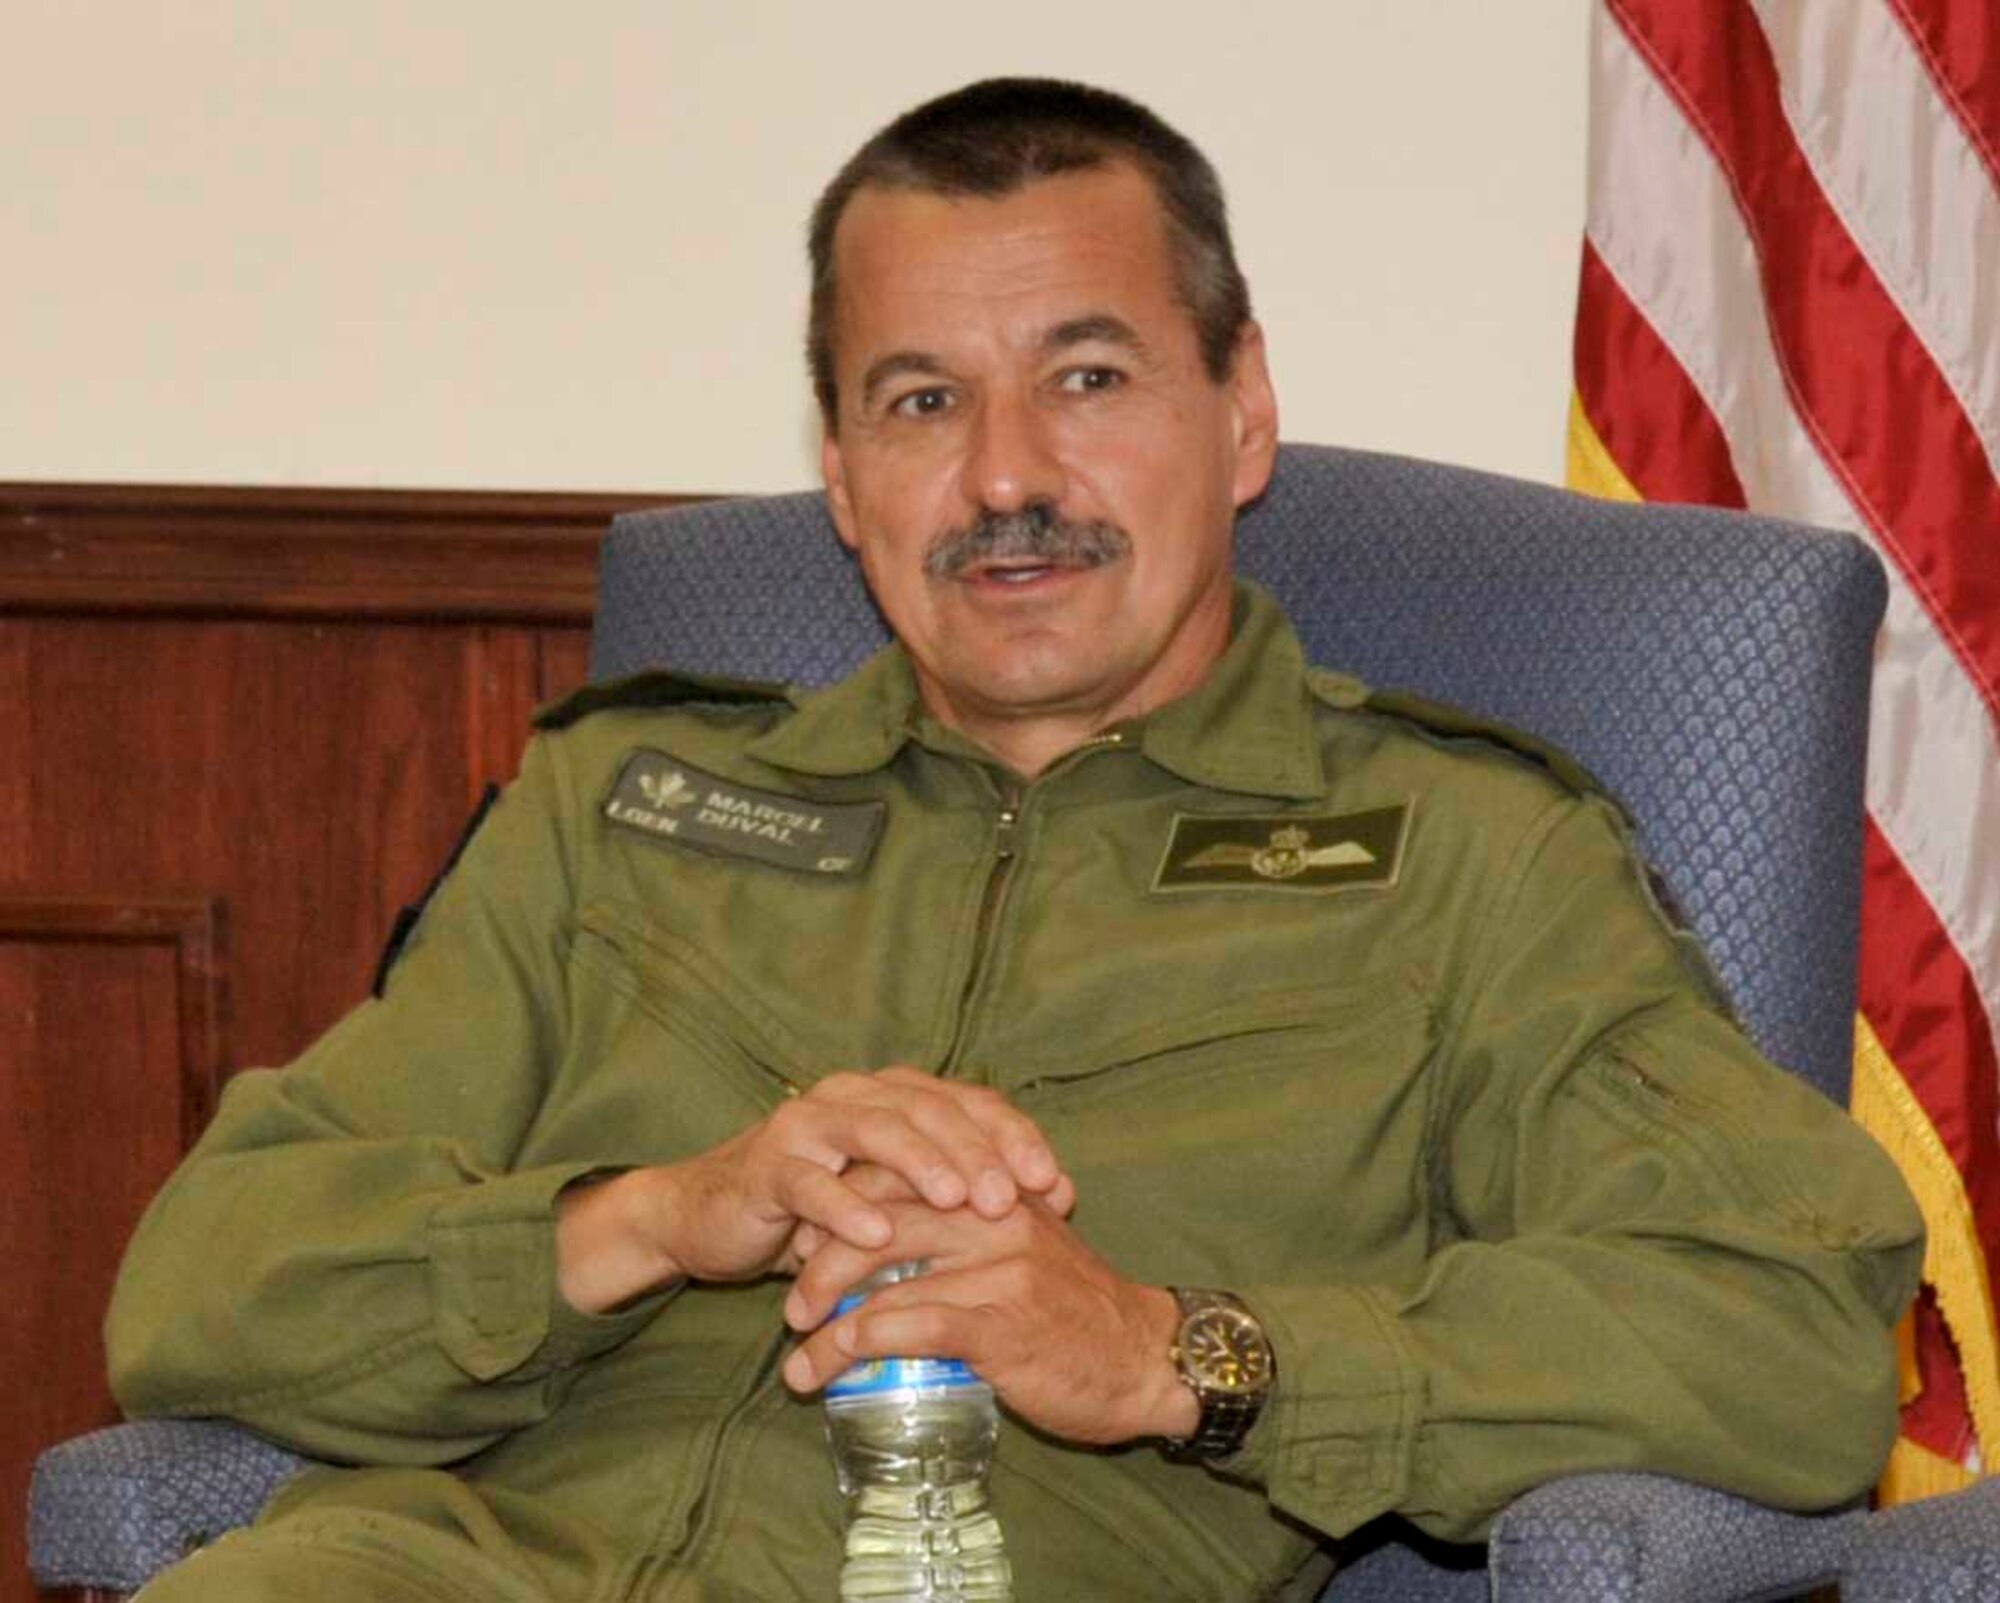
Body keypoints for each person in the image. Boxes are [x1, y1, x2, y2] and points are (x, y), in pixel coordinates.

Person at [108, 77, 1923, 1601]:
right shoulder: (625, 805)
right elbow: (205, 1289)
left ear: (1243, 411)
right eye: (920, 401)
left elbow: (1786, 1328)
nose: (1001, 479)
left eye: (1087, 378)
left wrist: (1172, 1355)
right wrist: (664, 1212)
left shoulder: (1466, 856)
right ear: (839, 472)